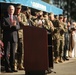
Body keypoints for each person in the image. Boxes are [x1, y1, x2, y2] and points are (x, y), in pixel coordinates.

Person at [1, 5, 20, 72]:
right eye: (10, 9)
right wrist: (11, 25)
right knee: (6, 53)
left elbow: (18, 27)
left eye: (12, 9)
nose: (11, 10)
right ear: (8, 10)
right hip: (7, 38)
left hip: (14, 38)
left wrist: (15, 26)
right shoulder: (4, 18)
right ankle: (7, 68)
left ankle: (12, 67)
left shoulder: (16, 17)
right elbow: (3, 26)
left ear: (14, 10)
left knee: (13, 53)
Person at [15, 4, 27, 70]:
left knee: (22, 50)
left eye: (19, 8)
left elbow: (26, 24)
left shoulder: (23, 16)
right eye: (17, 8)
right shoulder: (13, 15)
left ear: (21, 9)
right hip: (14, 35)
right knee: (15, 51)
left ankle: (21, 64)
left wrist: (20, 21)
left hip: (21, 35)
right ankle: (15, 65)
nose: (18, 10)